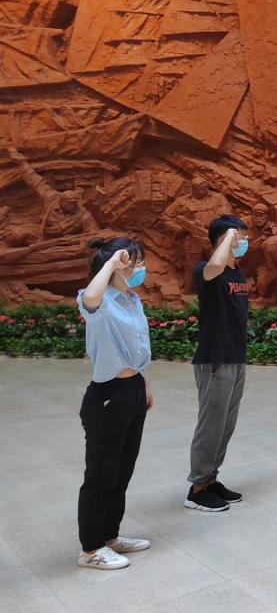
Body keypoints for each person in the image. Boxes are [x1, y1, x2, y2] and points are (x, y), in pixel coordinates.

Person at [76, 236, 154, 570]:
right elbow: (91, 298)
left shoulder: (132, 299)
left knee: (122, 471)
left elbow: (137, 345)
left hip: (131, 388)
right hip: (107, 395)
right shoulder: (98, 299)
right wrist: (110, 263)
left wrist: (143, 383)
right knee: (101, 475)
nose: (141, 267)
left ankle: (110, 536)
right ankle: (91, 549)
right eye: (135, 262)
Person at [185, 215, 250, 512]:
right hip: (215, 358)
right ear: (220, 241)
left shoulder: (238, 274)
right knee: (211, 424)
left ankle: (211, 479)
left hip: (235, 357)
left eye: (243, 236)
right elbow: (213, 267)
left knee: (225, 425)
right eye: (236, 237)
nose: (242, 241)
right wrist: (226, 241)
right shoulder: (206, 270)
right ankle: (197, 488)